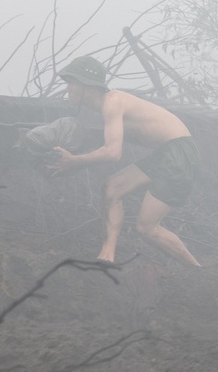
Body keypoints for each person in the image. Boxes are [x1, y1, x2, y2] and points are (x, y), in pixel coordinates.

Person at [49, 55, 201, 267]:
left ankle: (196, 269)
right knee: (111, 187)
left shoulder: (113, 101)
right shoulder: (107, 107)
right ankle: (107, 255)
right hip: (166, 152)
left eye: (72, 83)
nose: (68, 89)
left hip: (179, 153)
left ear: (88, 85)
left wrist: (75, 162)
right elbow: (107, 139)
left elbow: (113, 152)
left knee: (147, 228)